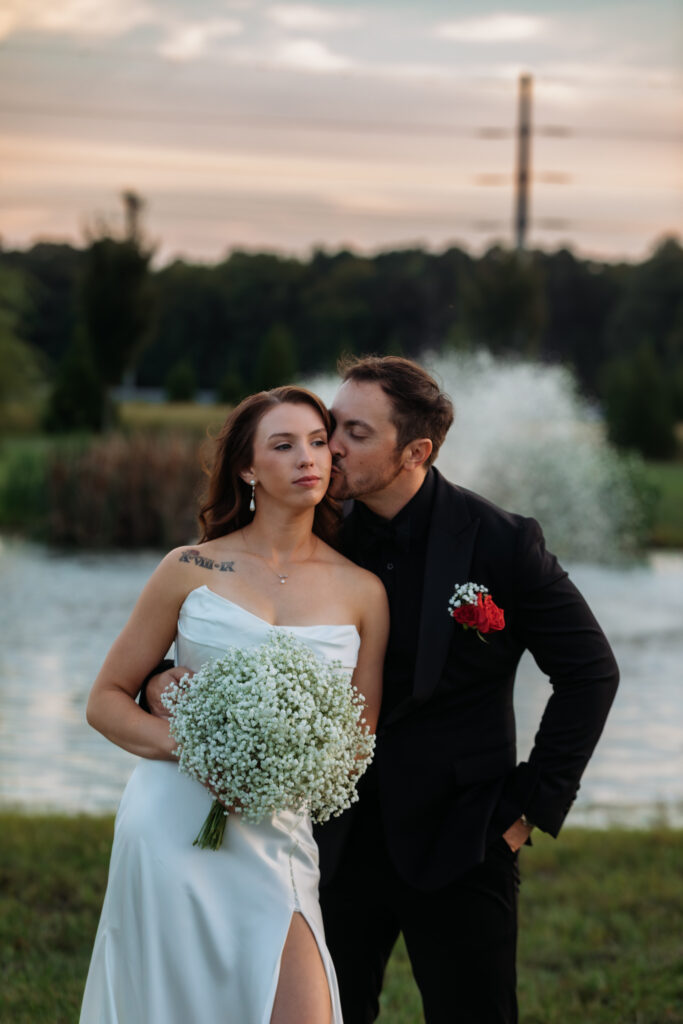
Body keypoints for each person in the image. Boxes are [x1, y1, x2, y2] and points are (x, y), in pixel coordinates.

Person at [145, 357, 620, 1024]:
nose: (327, 445)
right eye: (332, 424)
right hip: (325, 837)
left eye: (355, 433)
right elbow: (234, 620)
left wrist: (528, 807)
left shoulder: (501, 543)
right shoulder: (318, 527)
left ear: (415, 451)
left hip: (462, 836)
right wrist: (159, 679)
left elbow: (589, 672)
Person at [80, 385, 389, 1024]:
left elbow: (360, 740)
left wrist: (289, 770)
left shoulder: (363, 591)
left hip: (279, 831)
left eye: (316, 442)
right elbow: (105, 701)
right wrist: (199, 750)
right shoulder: (190, 567)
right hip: (170, 823)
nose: (309, 458)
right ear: (247, 468)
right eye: (283, 445)